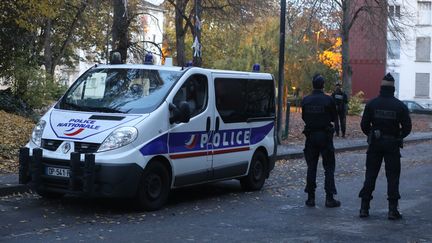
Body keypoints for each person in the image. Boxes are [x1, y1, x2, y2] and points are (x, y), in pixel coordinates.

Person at [358, 73, 412, 220]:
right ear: (393, 89)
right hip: (392, 144)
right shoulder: (400, 106)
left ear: (381, 87)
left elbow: (364, 125)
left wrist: (371, 133)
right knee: (393, 177)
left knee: (370, 175)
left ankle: (364, 208)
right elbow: (407, 127)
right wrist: (398, 136)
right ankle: (392, 210)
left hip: (375, 144)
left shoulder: (372, 104)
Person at [301, 74, 341, 208]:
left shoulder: (306, 100)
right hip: (325, 136)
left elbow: (304, 117)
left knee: (311, 167)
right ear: (323, 85)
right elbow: (334, 117)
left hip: (311, 136)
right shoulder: (328, 100)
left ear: (313, 85)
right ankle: (329, 198)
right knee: (329, 167)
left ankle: (310, 198)